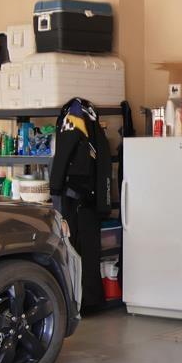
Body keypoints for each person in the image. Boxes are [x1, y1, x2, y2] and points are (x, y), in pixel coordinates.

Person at [48, 97, 110, 315]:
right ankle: (90, 300)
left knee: (72, 250)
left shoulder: (74, 114)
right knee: (90, 249)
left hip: (74, 194)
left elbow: (64, 152)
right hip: (90, 196)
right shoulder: (90, 116)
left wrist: (55, 186)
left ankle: (77, 300)